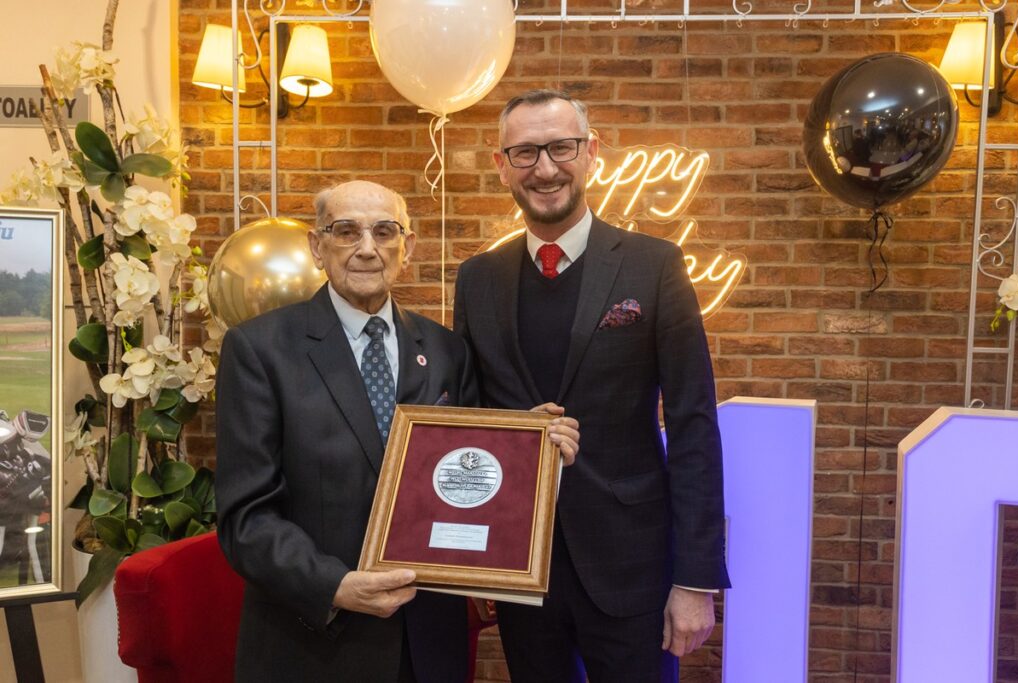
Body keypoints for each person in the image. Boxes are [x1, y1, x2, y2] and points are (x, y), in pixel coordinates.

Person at [215, 180, 579, 682]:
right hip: (314, 643)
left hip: (429, 644)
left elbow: (467, 482)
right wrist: (336, 585)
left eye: (385, 231)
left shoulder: (448, 350)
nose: (367, 248)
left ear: (406, 249)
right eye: (346, 231)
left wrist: (529, 448)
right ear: (317, 247)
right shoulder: (258, 350)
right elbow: (245, 518)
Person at [454, 90, 730, 682]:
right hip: (522, 571)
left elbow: (693, 424)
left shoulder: (654, 265)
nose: (545, 168)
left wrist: (695, 580)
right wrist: (472, 565)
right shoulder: (477, 279)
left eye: (561, 147)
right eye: (525, 152)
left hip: (634, 568)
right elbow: (471, 426)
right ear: (501, 165)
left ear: (592, 153)